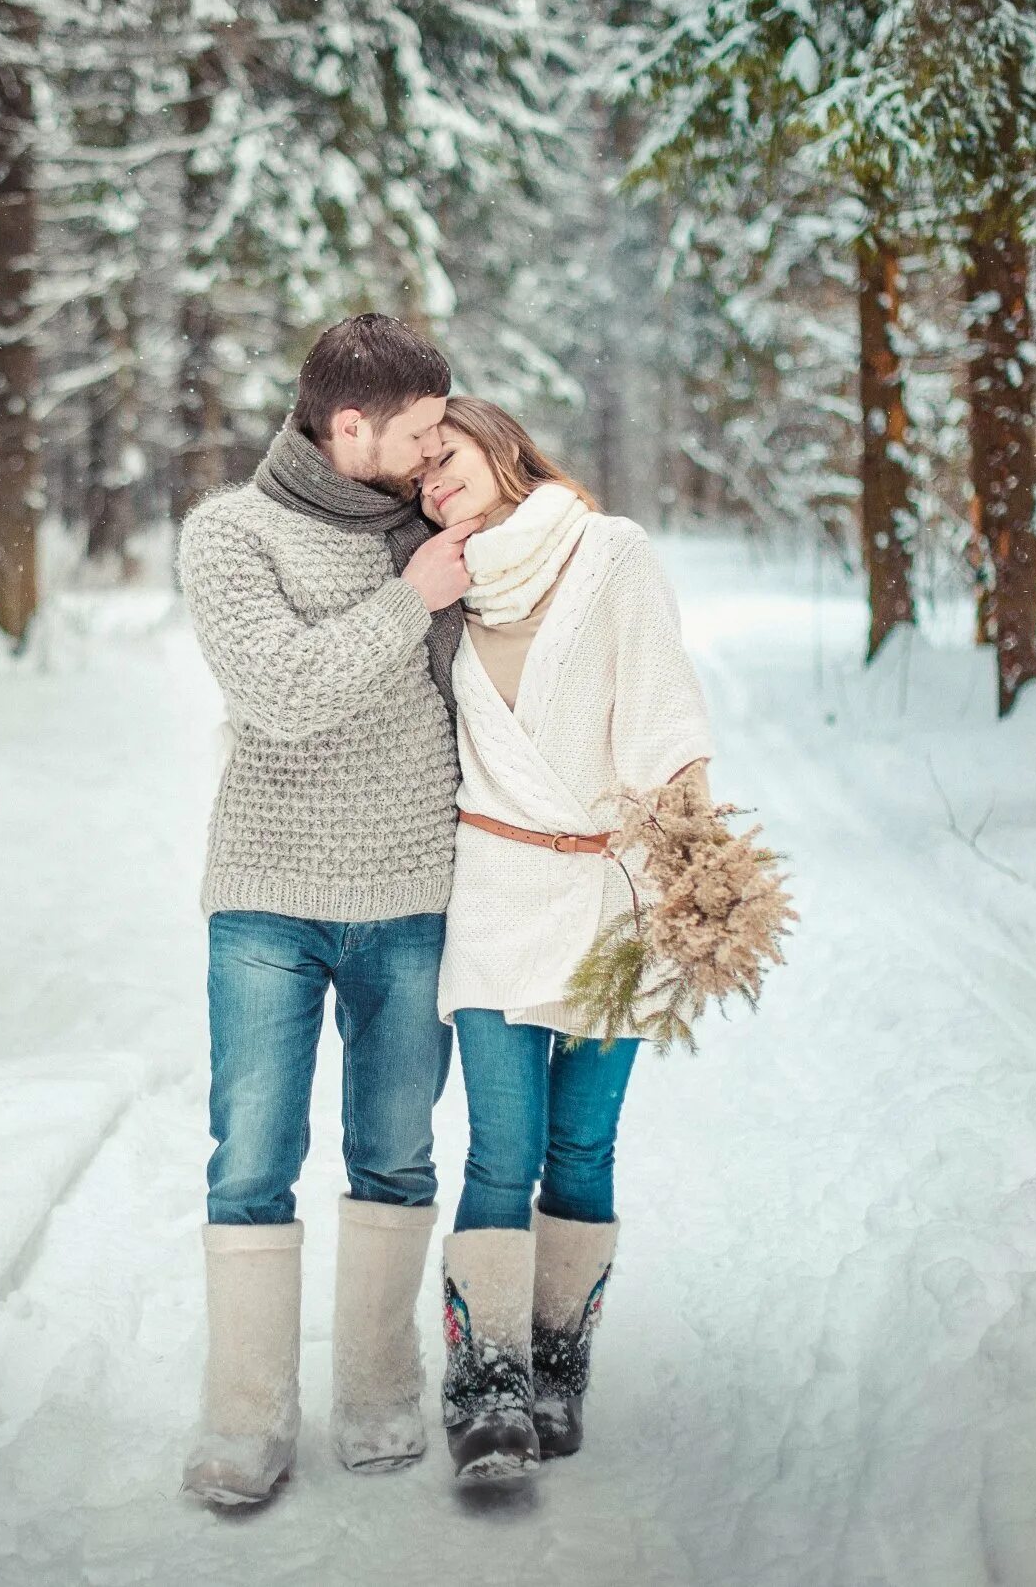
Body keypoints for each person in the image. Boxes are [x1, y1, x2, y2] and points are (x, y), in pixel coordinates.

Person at [173, 314, 482, 1506]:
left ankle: (377, 1388)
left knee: (397, 1153)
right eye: (414, 432)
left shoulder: (437, 526)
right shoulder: (231, 534)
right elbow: (283, 693)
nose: (429, 451)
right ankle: (246, 1419)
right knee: (251, 1158)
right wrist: (411, 597)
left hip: (414, 892)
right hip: (268, 898)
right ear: (347, 425)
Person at [418, 397, 714, 1482]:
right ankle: (484, 1379)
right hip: (493, 890)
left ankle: (556, 1362)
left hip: (612, 894)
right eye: (416, 478)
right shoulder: (438, 586)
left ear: (498, 446)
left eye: (442, 459)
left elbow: (666, 714)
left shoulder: (608, 555)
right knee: (501, 1147)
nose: (430, 484)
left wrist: (695, 868)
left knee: (581, 1148)